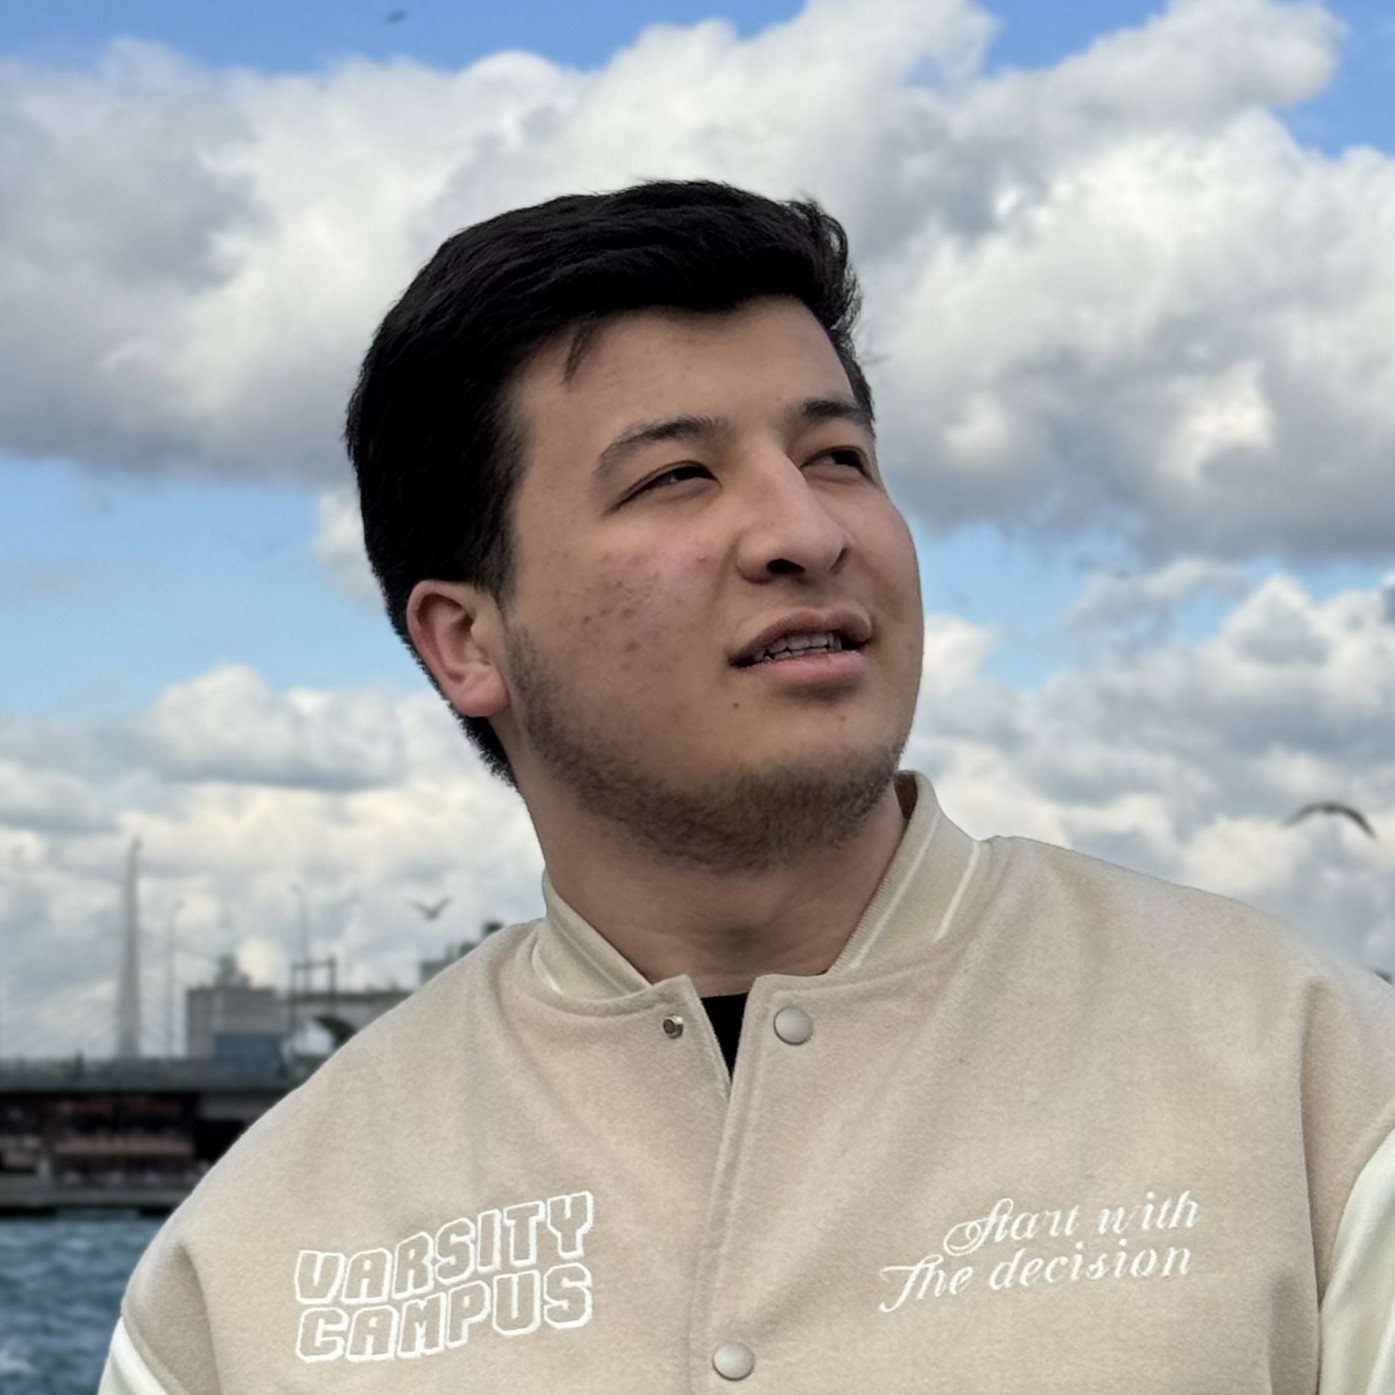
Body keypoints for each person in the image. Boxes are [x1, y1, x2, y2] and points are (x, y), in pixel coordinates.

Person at [100, 179, 1395, 1394]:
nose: (807, 532)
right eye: (677, 476)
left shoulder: (1319, 1087)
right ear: (465, 641)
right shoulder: (247, 1273)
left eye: (837, 457)